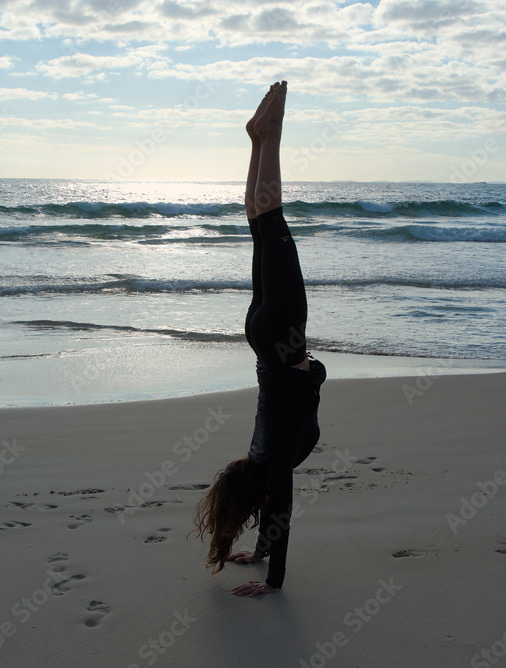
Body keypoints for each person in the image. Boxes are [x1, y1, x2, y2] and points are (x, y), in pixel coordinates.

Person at [191, 81, 327, 598]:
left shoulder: (275, 463)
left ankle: (270, 136)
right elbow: (273, 510)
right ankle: (256, 140)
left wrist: (273, 580)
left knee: (272, 221)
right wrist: (261, 551)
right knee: (257, 225)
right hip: (259, 340)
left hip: (283, 338)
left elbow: (282, 513)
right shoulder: (258, 453)